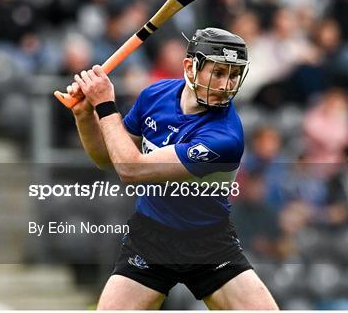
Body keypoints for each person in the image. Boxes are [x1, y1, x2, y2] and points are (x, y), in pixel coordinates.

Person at [66, 28, 278, 309]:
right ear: (190, 66)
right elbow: (107, 158)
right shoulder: (155, 95)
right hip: (150, 238)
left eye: (234, 75)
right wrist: (84, 115)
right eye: (218, 73)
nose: (227, 85)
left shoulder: (225, 137)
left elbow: (131, 170)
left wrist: (104, 105)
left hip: (209, 243)